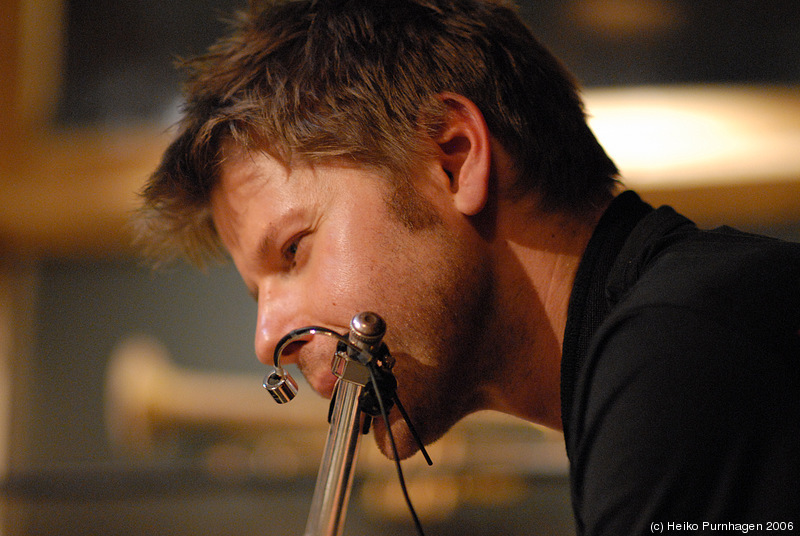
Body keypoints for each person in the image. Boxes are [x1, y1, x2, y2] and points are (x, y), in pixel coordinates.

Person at [136, 0, 800, 533]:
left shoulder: (678, 360)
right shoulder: (666, 348)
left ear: (453, 159)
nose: (265, 339)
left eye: (293, 250)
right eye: (257, 294)